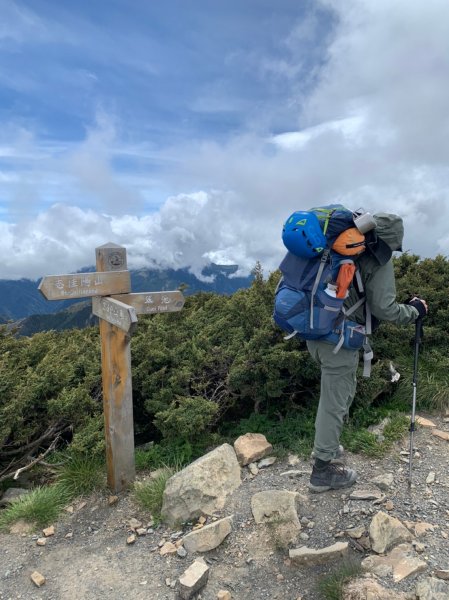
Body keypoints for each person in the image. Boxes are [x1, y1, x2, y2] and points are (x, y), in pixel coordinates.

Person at [307, 212, 428, 493]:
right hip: (339, 339)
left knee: (337, 396)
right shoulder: (375, 258)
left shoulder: (336, 246)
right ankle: (322, 470)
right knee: (334, 402)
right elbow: (385, 309)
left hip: (315, 331)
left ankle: (327, 445)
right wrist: (415, 310)